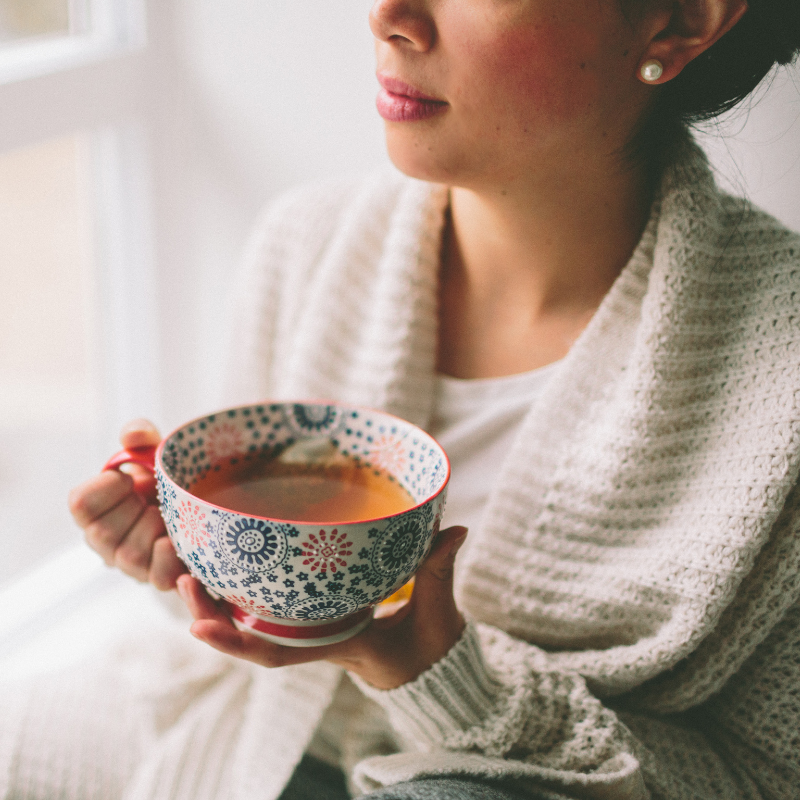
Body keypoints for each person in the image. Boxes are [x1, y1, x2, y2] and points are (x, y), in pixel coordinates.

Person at [4, 0, 800, 798]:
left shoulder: (780, 382)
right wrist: (194, 559)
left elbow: (766, 778)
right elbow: (256, 629)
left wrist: (441, 675)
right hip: (248, 734)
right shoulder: (306, 246)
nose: (388, 16)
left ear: (681, 22)